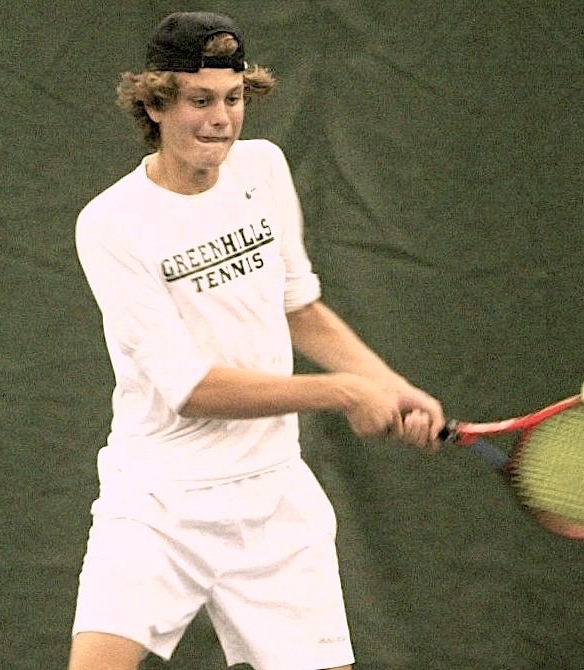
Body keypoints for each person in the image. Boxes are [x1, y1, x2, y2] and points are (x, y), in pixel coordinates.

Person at [69, 11, 445, 670]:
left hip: (273, 499)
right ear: (156, 104)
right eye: (200, 100)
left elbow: (299, 308)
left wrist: (388, 386)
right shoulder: (111, 224)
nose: (221, 118)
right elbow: (189, 389)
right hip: (158, 501)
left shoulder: (263, 170)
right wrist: (341, 392)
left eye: (234, 98)